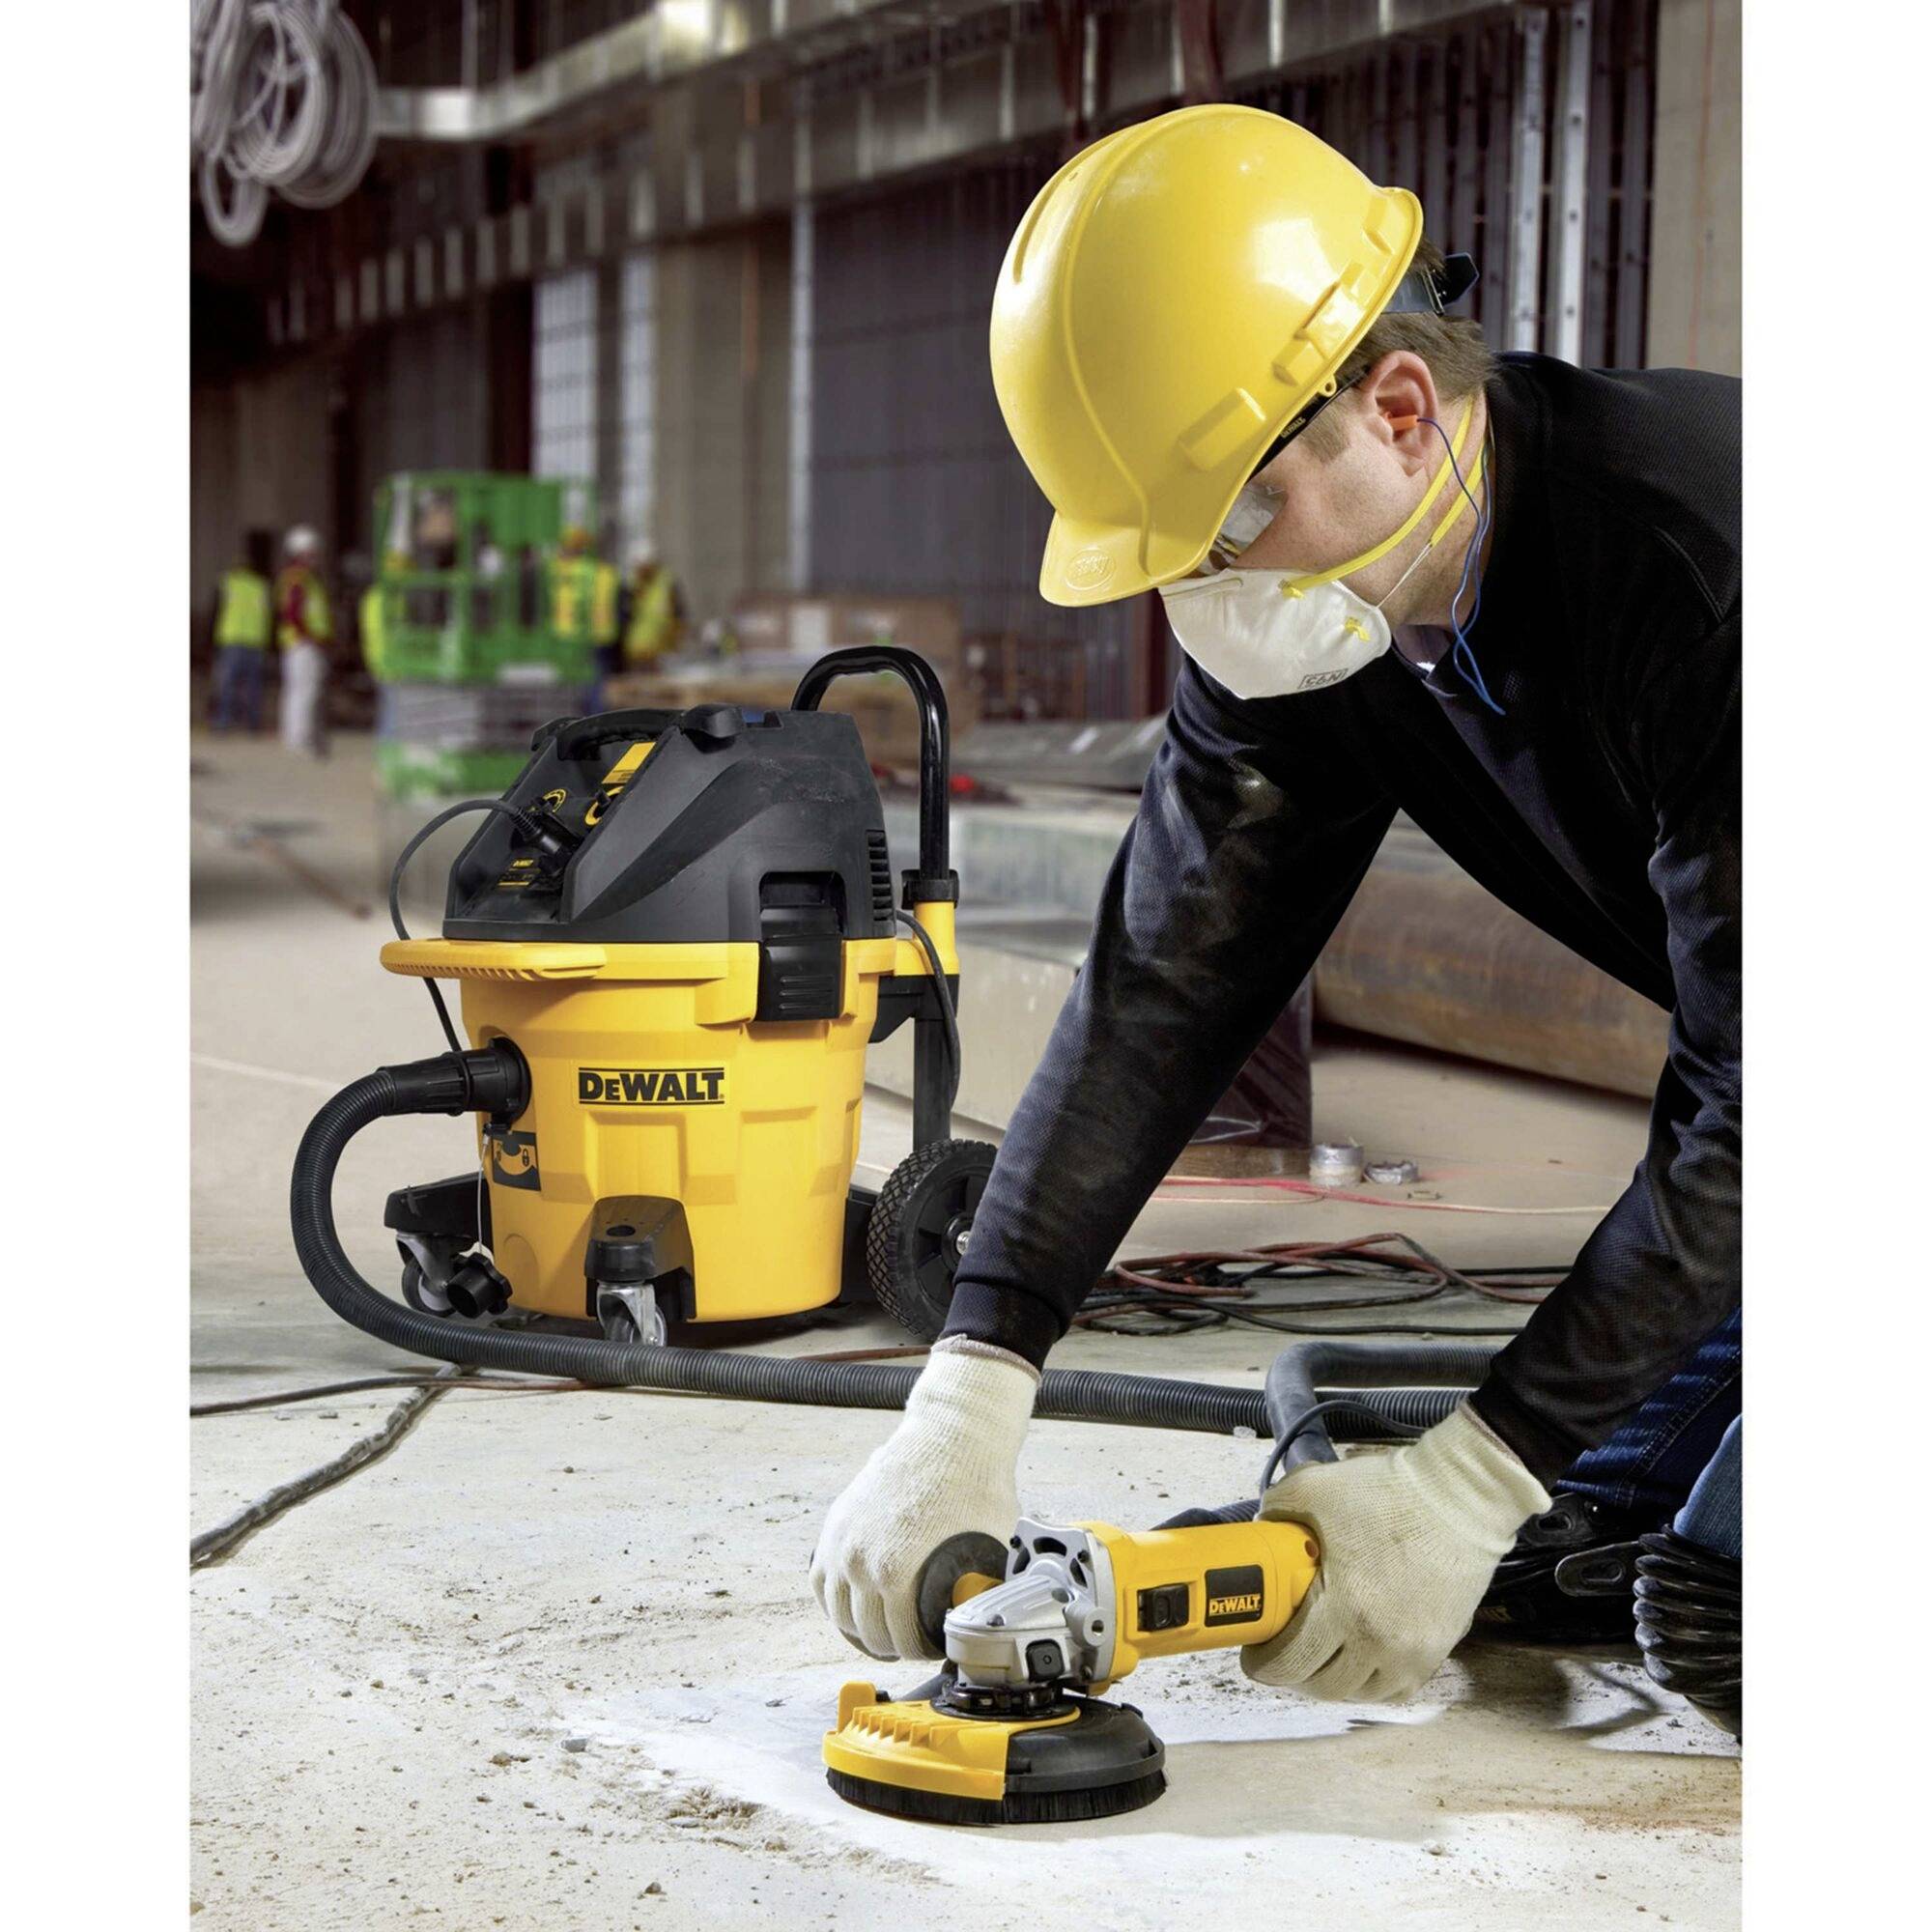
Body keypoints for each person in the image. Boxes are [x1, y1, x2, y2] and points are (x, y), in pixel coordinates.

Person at [810, 104, 1741, 1717]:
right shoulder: (1337, 606)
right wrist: (973, 1377)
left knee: (1727, 1612)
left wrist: (1475, 1475)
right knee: (1560, 1539)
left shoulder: (1706, 575)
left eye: (1230, 521)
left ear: (1398, 409)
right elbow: (1170, 975)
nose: (1212, 590)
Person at [275, 526, 333, 757]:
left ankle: (296, 737)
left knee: (299, 690)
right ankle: (300, 738)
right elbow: (293, 611)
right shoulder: (298, 578)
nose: (316, 557)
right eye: (312, 552)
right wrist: (308, 635)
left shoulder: (304, 578)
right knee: (305, 691)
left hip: (304, 642)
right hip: (304, 643)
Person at [210, 537, 271, 731]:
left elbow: (216, 611)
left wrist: (210, 640)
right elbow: (269, 615)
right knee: (254, 686)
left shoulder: (227, 583)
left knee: (227, 685)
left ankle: (224, 722)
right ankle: (253, 724)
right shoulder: (261, 586)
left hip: (232, 639)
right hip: (256, 640)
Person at [620, 548, 684, 671]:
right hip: (636, 652)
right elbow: (625, 617)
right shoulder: (631, 586)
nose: (642, 571)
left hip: (660, 651)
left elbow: (678, 614)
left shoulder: (667, 583)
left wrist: (676, 640)